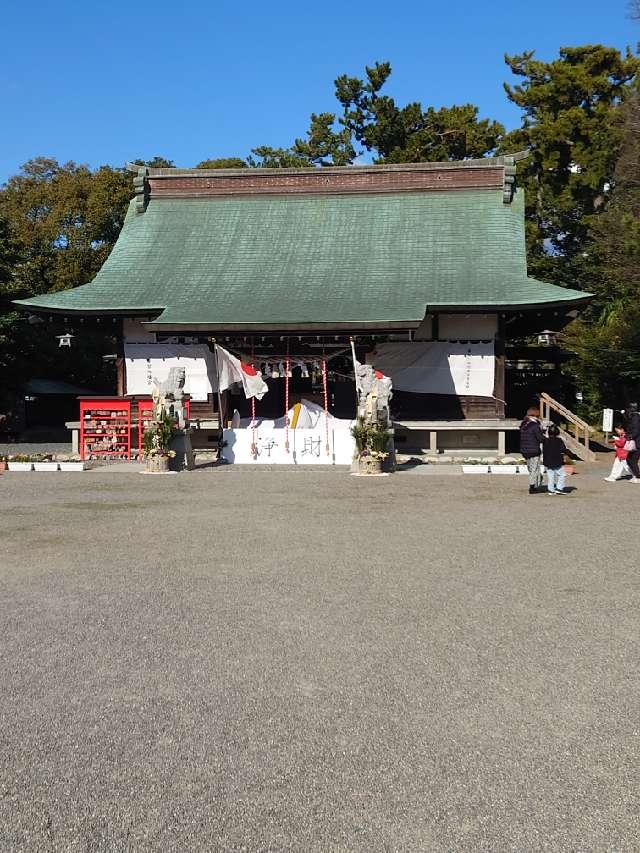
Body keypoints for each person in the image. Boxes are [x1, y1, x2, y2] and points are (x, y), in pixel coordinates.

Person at [520, 406, 545, 494]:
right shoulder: (535, 425)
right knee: (534, 469)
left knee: (530, 468)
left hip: (525, 450)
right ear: (536, 415)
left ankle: (535, 483)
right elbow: (540, 439)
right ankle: (532, 487)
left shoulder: (523, 424)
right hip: (534, 450)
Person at [543, 424, 568, 495]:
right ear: (558, 432)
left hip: (548, 461)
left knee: (551, 476)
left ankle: (551, 490)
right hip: (557, 460)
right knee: (562, 474)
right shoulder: (559, 440)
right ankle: (559, 488)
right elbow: (563, 449)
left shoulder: (545, 440)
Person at [625, 403, 640, 483]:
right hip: (635, 442)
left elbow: (636, 430)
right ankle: (636, 475)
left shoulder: (635, 417)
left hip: (637, 443)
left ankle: (638, 477)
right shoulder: (634, 417)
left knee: (633, 460)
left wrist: (630, 436)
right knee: (629, 459)